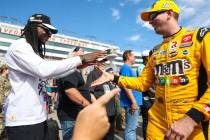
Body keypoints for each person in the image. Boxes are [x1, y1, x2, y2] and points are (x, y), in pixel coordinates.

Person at [91, 0, 210, 139]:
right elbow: (142, 83)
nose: (150, 22)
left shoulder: (200, 37)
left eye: (153, 16)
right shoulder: (155, 51)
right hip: (157, 127)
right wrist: (114, 78)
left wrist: (191, 118)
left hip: (194, 127)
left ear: (169, 14)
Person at [5, 13, 107, 140]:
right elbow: (43, 70)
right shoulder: (19, 46)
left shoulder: (32, 51)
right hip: (23, 121)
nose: (50, 35)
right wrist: (80, 59)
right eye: (47, 30)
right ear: (33, 26)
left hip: (37, 118)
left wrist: (76, 66)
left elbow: (51, 72)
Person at [56, 47, 93, 140]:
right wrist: (89, 106)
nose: (83, 55)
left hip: (76, 116)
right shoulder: (69, 69)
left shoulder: (74, 70)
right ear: (72, 53)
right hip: (71, 117)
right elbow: (70, 91)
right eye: (81, 52)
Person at [87, 63, 116, 140]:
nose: (103, 63)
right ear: (95, 64)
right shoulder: (93, 73)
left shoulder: (104, 73)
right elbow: (90, 93)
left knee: (109, 135)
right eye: (101, 62)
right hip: (102, 111)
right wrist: (97, 107)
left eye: (104, 61)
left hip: (110, 111)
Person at [119, 50, 142, 140]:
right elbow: (126, 86)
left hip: (133, 102)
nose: (135, 58)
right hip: (131, 103)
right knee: (130, 129)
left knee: (132, 128)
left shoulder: (128, 68)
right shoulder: (125, 68)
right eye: (134, 56)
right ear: (128, 56)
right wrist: (133, 102)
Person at [138, 50, 155, 140]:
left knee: (151, 120)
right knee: (146, 120)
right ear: (147, 57)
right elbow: (145, 84)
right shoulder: (141, 67)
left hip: (151, 97)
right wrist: (154, 92)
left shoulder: (149, 66)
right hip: (146, 98)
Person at [0, 64, 11, 139]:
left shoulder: (7, 79)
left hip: (7, 103)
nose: (9, 71)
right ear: (4, 70)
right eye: (8, 69)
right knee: (2, 122)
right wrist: (1, 103)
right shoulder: (1, 79)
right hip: (2, 103)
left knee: (5, 122)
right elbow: (0, 92)